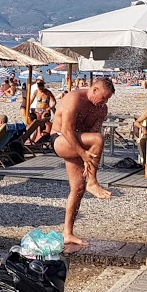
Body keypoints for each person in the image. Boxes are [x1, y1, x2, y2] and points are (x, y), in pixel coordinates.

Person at [51, 77, 116, 248]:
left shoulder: (101, 110)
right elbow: (66, 129)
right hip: (60, 139)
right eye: (103, 97)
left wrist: (87, 159)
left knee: (78, 188)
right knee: (98, 139)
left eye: (107, 99)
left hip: (80, 143)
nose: (104, 102)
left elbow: (93, 135)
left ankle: (67, 233)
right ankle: (93, 182)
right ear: (94, 90)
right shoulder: (75, 98)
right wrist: (83, 154)